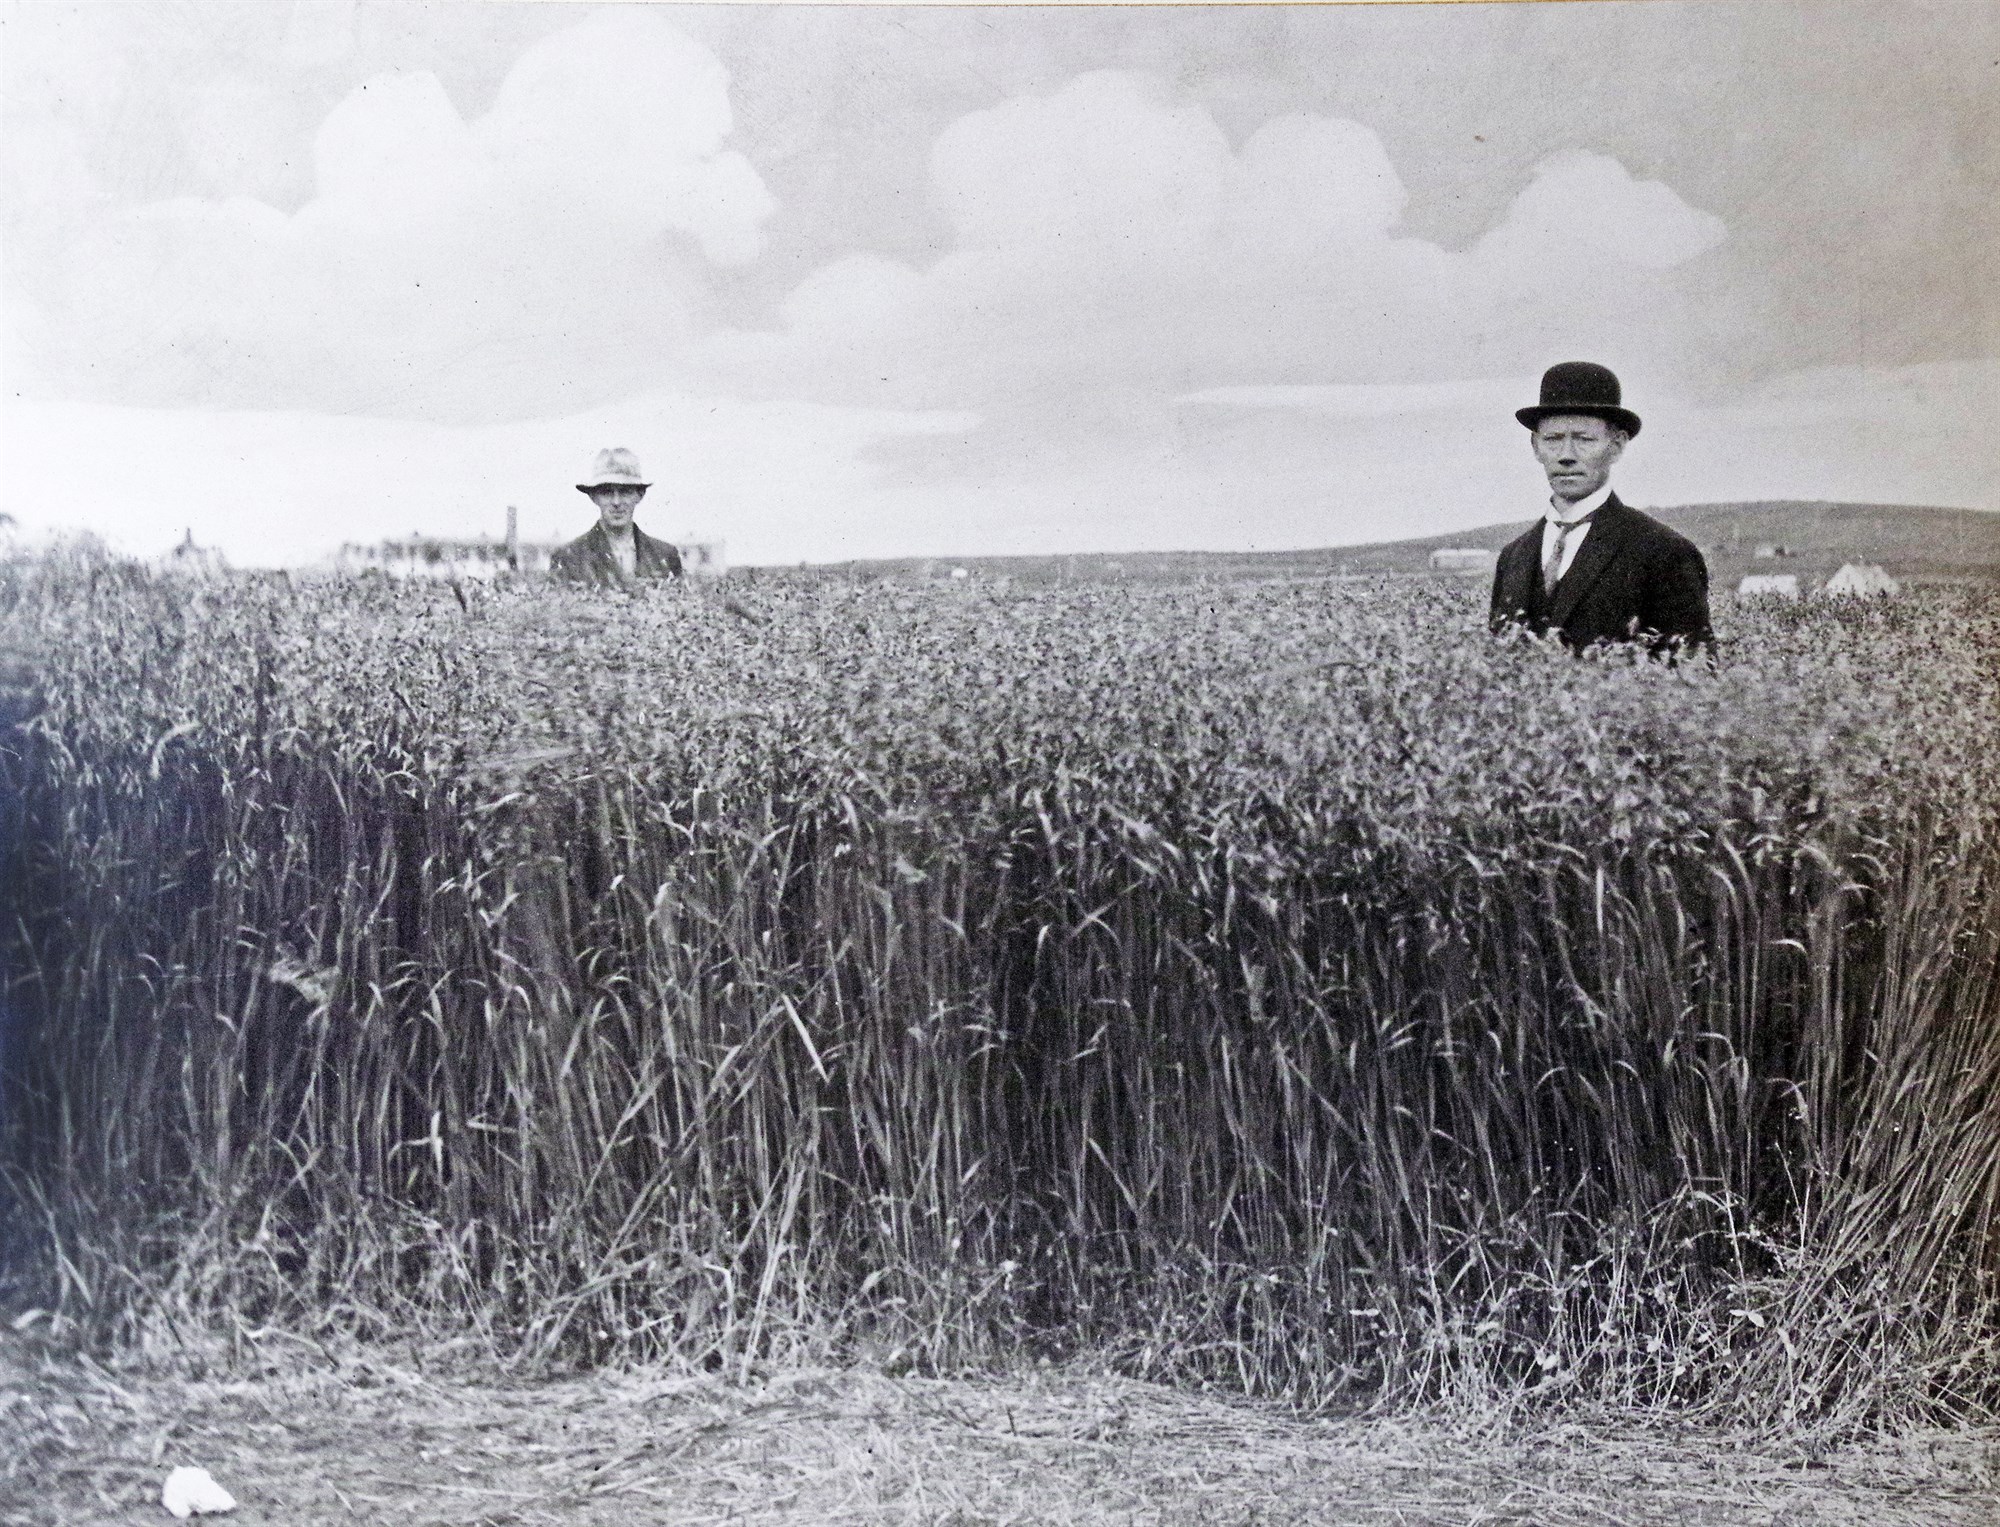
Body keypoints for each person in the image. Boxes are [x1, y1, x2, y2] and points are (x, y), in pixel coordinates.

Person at [1489, 362, 1711, 655]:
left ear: (1617, 445)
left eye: (1584, 439)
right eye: (1553, 439)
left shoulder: (1665, 552)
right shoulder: (1513, 557)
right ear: (1535, 447)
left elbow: (1694, 676)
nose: (1566, 455)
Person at [549, 448, 685, 586]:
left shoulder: (665, 555)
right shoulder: (569, 557)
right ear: (593, 497)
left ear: (640, 495)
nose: (616, 502)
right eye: (607, 492)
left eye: (625, 492)